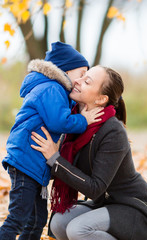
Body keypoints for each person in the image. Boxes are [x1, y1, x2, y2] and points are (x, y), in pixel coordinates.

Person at [31, 65, 147, 240]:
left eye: (87, 81)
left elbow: (95, 188)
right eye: (82, 76)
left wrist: (55, 158)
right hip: (106, 203)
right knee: (59, 223)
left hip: (135, 210)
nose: (77, 81)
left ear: (101, 99)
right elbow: (62, 169)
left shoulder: (113, 131)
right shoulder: (76, 123)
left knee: (78, 229)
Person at [0, 42, 104, 240]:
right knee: (18, 218)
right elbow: (59, 121)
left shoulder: (56, 91)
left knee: (37, 220)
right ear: (65, 70)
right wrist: (84, 120)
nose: (82, 79)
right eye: (81, 73)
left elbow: (64, 109)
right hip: (25, 162)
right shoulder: (51, 88)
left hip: (35, 166)